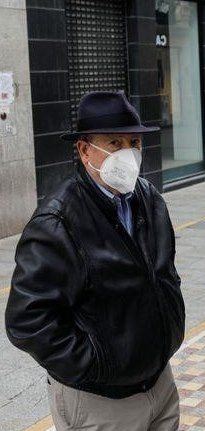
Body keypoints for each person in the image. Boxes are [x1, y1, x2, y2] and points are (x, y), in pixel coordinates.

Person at [5, 91, 185, 430]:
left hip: (160, 382)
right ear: (85, 150)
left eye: (134, 142)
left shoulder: (149, 199)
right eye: (114, 143)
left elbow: (164, 273)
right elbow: (27, 320)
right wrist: (98, 364)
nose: (128, 153)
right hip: (101, 402)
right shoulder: (57, 222)